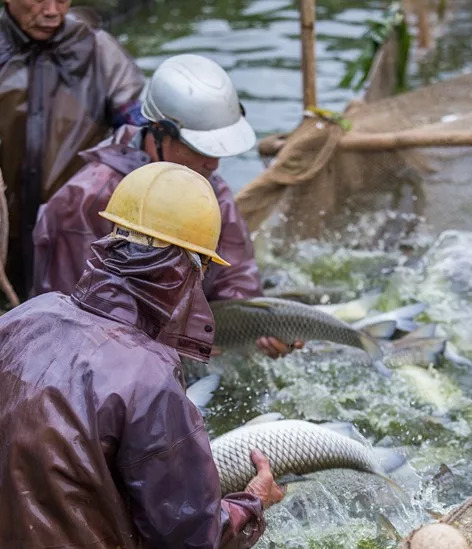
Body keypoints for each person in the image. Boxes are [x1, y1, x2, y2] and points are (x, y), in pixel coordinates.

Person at [0, 162, 284, 549]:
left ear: (111, 241)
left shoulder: (25, 317)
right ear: (183, 272)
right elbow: (191, 535)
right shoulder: (147, 376)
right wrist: (253, 504)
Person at [32, 53, 303, 359]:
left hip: (184, 344)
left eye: (217, 149)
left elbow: (235, 279)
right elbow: (70, 318)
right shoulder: (86, 199)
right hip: (102, 354)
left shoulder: (209, 188)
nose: (214, 163)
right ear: (159, 132)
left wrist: (256, 331)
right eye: (200, 148)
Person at [0, 0, 145, 298]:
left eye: (62, 0)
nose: (53, 11)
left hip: (74, 231)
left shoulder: (97, 50)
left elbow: (139, 132)